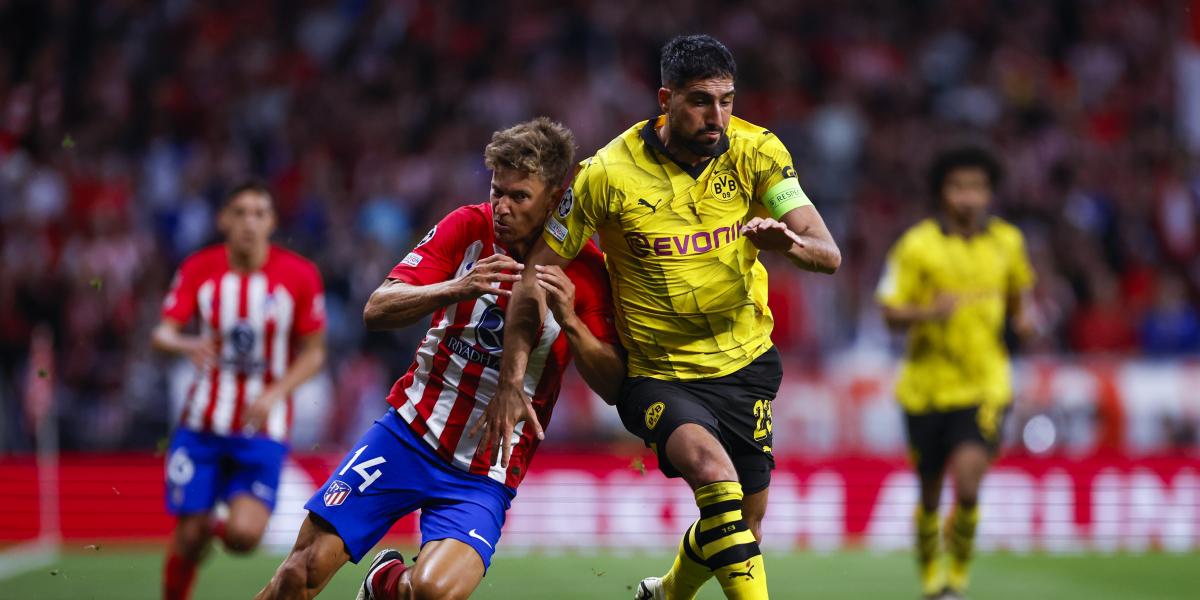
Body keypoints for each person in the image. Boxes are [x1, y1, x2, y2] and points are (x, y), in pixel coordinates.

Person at [481, 35, 841, 600]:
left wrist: (788, 244)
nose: (717, 116)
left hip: (745, 364)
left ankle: (669, 592)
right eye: (701, 101)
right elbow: (536, 274)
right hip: (658, 372)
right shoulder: (605, 174)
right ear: (665, 98)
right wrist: (511, 374)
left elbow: (829, 253)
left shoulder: (759, 151)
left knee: (743, 528)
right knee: (713, 475)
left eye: (726, 100)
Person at [254, 117, 624, 600]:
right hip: (408, 433)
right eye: (497, 191)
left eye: (519, 197)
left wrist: (572, 323)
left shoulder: (588, 272)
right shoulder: (468, 228)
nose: (501, 207)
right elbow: (376, 309)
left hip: (484, 471)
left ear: (556, 197)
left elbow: (614, 385)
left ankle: (385, 583)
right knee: (297, 575)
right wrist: (458, 286)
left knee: (431, 592)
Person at [875, 146, 1038, 600]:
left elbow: (1021, 295)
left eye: (977, 188)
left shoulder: (1008, 242)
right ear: (941, 192)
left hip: (985, 384)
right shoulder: (916, 246)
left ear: (989, 193)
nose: (968, 197)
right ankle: (931, 582)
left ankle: (957, 582)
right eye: (958, 187)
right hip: (925, 387)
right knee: (929, 493)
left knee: (967, 482)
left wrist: (1025, 320)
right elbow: (889, 312)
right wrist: (927, 312)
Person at [153, 181, 327, 600]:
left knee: (244, 536)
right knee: (190, 536)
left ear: (272, 222)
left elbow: (315, 353)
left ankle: (209, 520)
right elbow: (162, 333)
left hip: (262, 428)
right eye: (240, 212)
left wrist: (275, 393)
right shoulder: (200, 268)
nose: (249, 222)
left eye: (259, 213)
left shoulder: (300, 275)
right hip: (203, 425)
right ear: (224, 220)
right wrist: (184, 343)